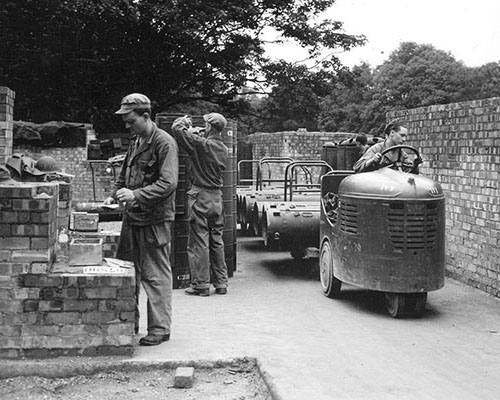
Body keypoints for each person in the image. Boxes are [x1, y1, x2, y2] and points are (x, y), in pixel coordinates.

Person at [104, 93, 178, 346]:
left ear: (146, 116)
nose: (127, 126)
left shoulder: (164, 143)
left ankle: (160, 329)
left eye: (131, 121)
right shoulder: (136, 141)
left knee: (155, 274)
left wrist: (136, 195)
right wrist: (115, 194)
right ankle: (130, 323)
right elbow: (124, 173)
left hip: (154, 220)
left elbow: (168, 183)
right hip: (132, 218)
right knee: (129, 271)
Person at [171, 113, 229, 297]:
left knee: (199, 242)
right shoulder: (222, 148)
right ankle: (221, 283)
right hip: (217, 199)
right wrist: (200, 132)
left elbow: (177, 129)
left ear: (210, 127)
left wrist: (185, 123)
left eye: (205, 124)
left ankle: (201, 285)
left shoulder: (202, 145)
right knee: (217, 241)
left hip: (200, 197)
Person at [353, 121, 418, 173]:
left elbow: (409, 171)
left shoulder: (401, 153)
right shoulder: (377, 149)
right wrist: (372, 160)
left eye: (405, 136)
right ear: (392, 133)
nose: (404, 139)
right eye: (402, 135)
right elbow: (357, 167)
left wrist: (415, 164)